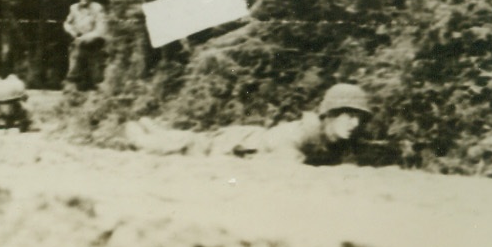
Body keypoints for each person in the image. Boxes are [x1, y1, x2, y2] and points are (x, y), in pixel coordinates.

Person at [123, 83, 374, 166]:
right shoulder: (299, 133)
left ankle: (152, 127)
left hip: (247, 139)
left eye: (359, 118)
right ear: (330, 114)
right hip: (235, 145)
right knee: (184, 144)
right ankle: (138, 131)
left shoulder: (338, 140)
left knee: (188, 138)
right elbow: (283, 154)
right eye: (348, 115)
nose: (354, 123)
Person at [63, 0, 108, 92]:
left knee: (97, 76)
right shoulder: (74, 8)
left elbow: (101, 29)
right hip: (78, 44)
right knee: (75, 54)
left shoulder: (97, 8)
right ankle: (71, 82)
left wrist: (87, 37)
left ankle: (96, 85)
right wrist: (72, 31)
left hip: (94, 44)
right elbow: (67, 23)